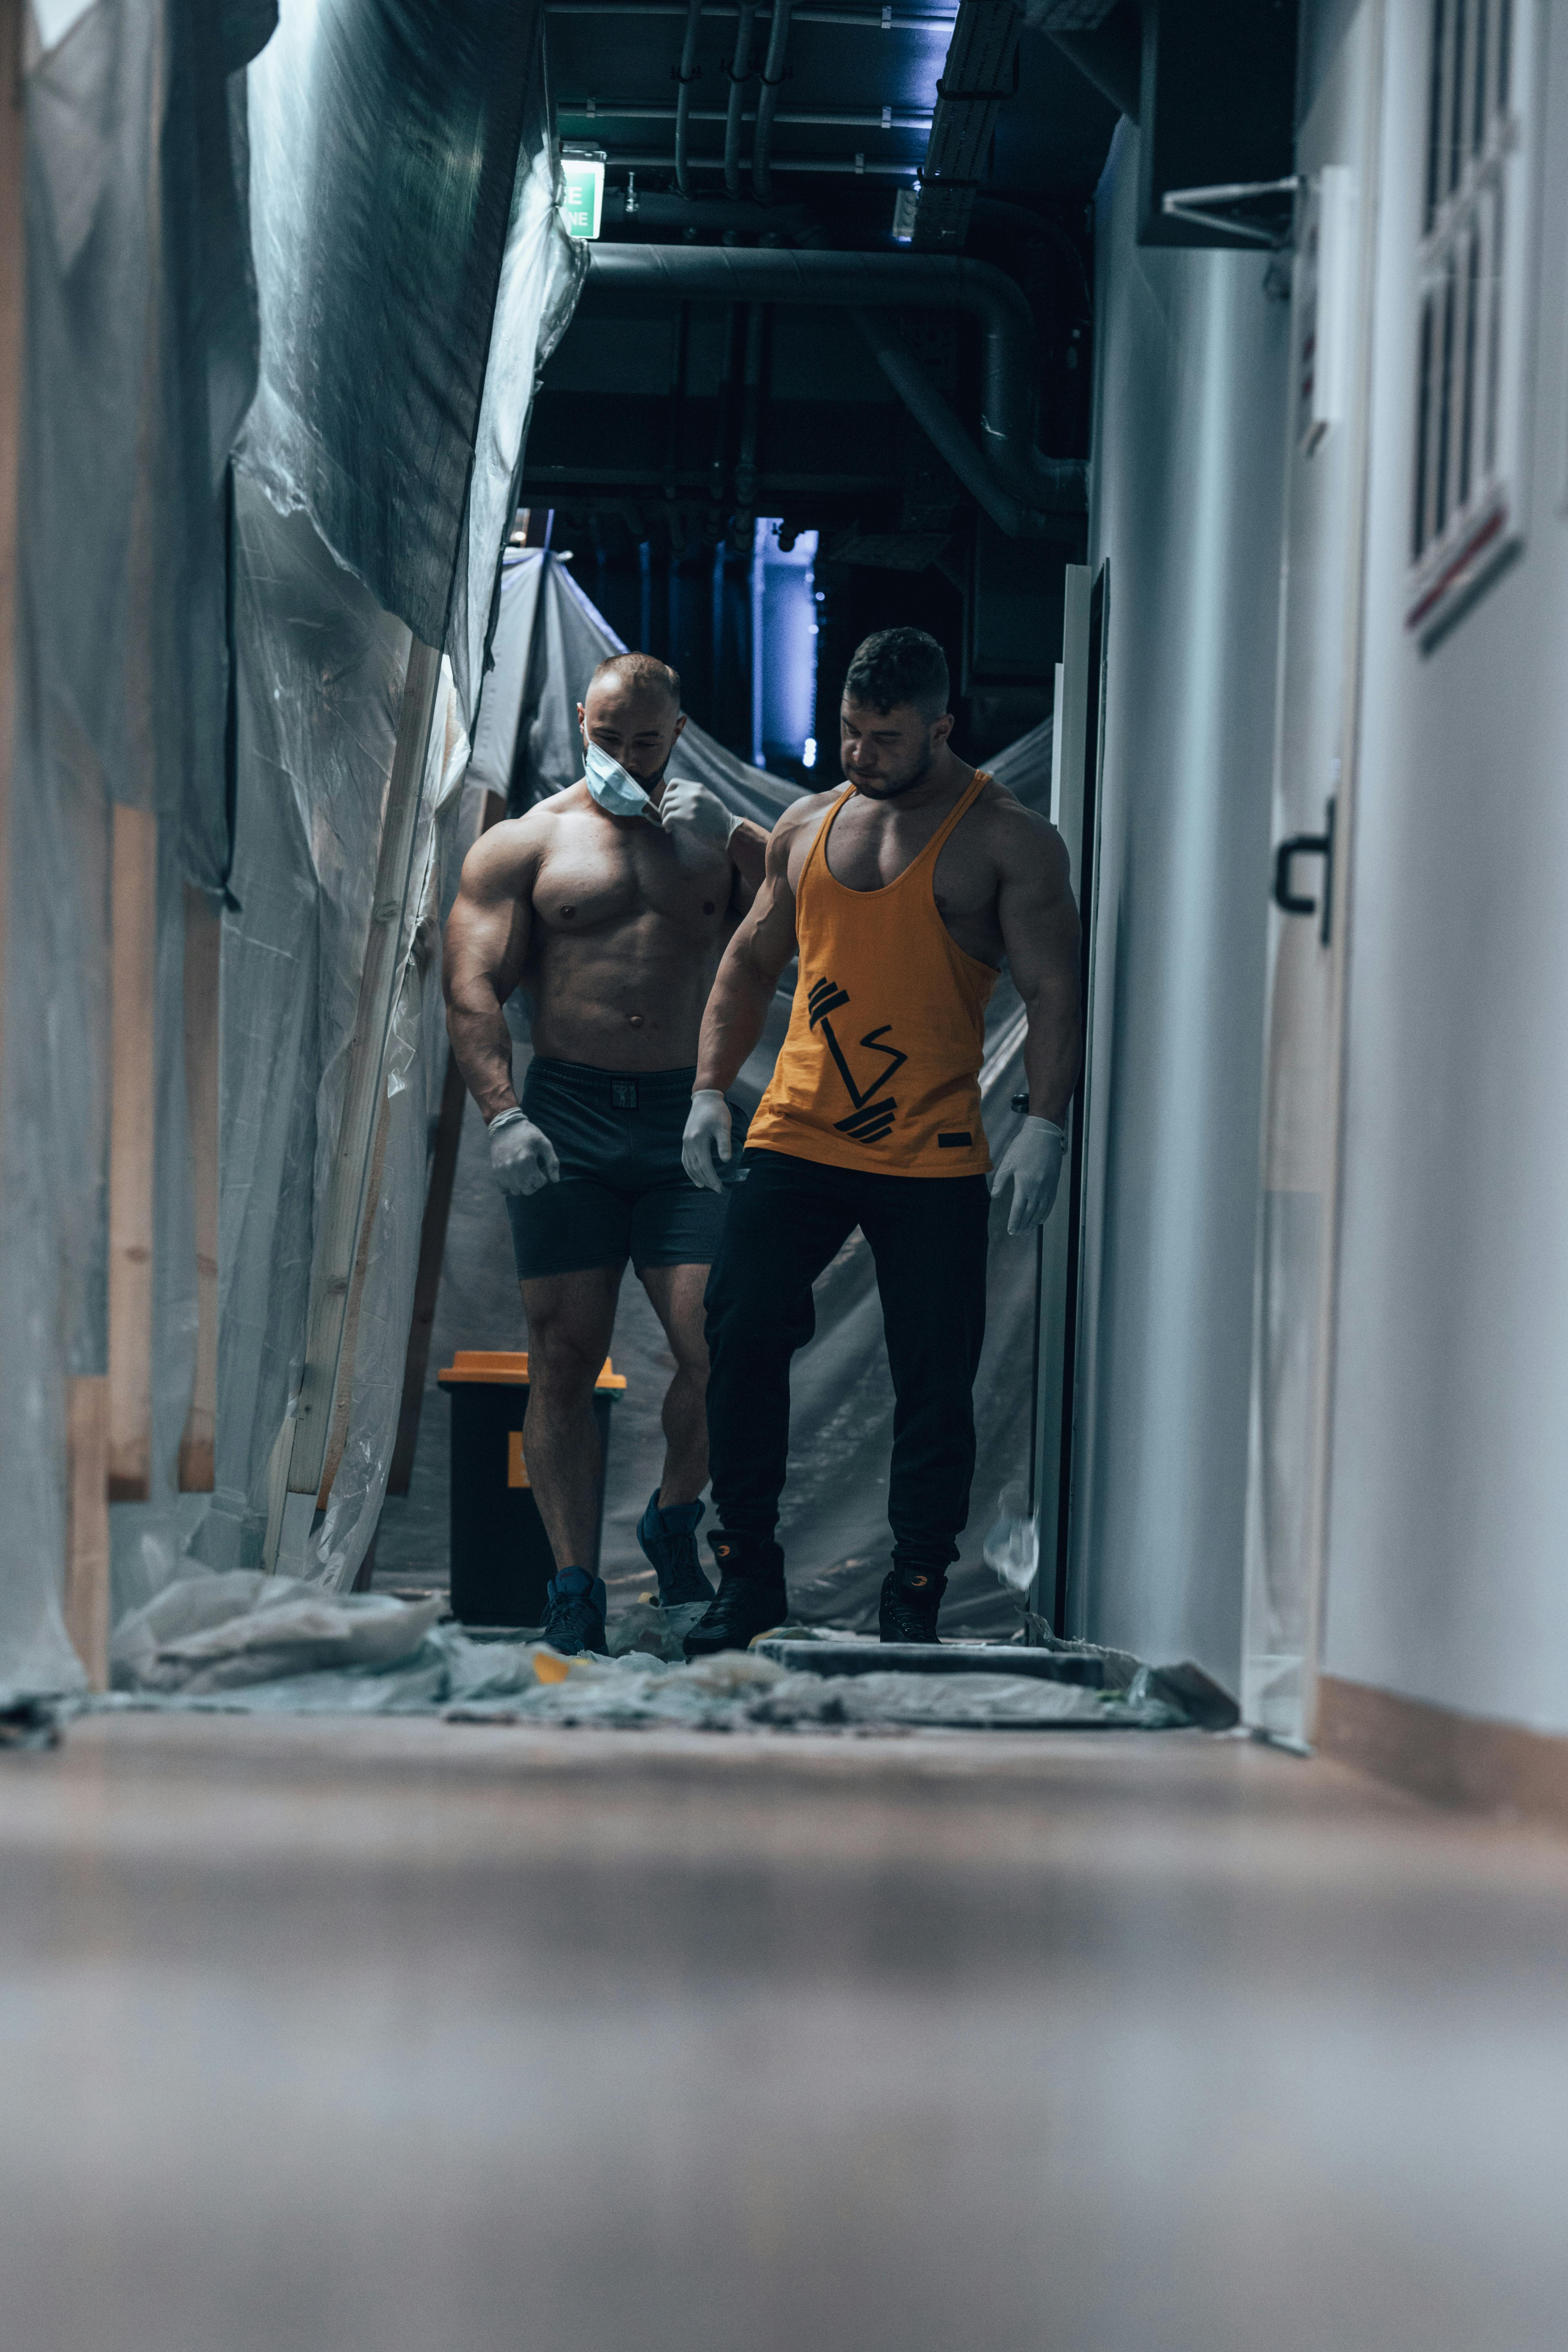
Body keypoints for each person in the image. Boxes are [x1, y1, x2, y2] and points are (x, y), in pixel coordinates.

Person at [681, 626, 1081, 1654]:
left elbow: (1053, 989)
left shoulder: (1009, 840)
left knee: (934, 1376)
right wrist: (709, 1094)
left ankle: (913, 1588)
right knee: (740, 1330)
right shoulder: (806, 827)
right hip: (798, 1134)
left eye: (886, 738)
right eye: (850, 732)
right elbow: (746, 963)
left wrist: (1046, 1124)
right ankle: (750, 1574)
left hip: (932, 1153)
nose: (860, 754)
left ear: (942, 727)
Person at [443, 651, 769, 1655]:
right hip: (571, 1119)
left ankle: (672, 1517)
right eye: (607, 738)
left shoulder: (714, 842)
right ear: (580, 721)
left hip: (687, 1118)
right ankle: (574, 1587)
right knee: (563, 1356)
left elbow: (809, 922)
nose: (625, 757)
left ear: (678, 736)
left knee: (721, 1349)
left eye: (645, 742)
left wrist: (745, 845)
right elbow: (472, 984)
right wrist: (503, 1114)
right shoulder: (525, 844)